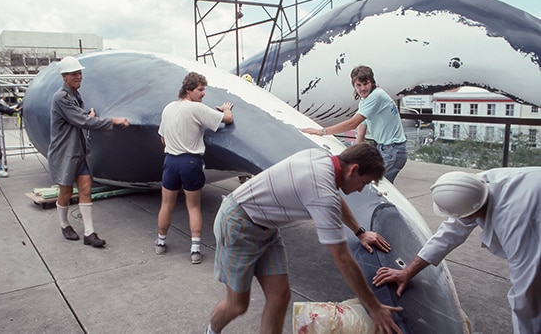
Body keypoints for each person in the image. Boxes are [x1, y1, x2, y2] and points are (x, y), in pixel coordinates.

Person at [206, 143, 402, 334]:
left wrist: (360, 232)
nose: (361, 189)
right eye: (364, 182)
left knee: (280, 297)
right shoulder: (322, 193)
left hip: (266, 227)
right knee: (237, 305)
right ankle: (211, 331)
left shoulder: (322, 158)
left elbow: (333, 193)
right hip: (238, 222)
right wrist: (374, 307)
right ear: (354, 169)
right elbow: (343, 259)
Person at [372, 168, 541, 334]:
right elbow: (449, 233)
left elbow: (526, 293)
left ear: (471, 212)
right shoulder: (471, 187)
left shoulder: (517, 225)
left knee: (529, 298)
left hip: (532, 213)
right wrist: (408, 271)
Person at [48, 56, 129, 248]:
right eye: (74, 73)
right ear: (64, 76)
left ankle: (89, 233)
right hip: (65, 154)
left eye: (79, 72)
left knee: (85, 189)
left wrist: (87, 115)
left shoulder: (75, 96)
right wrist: (112, 121)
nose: (78, 76)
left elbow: (79, 117)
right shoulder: (61, 97)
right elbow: (82, 121)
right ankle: (64, 224)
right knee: (66, 192)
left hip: (79, 152)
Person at [155, 71, 233, 264]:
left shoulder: (168, 108)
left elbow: (163, 138)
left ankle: (160, 242)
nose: (203, 94)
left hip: (170, 162)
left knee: (166, 205)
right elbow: (227, 120)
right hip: (190, 162)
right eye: (200, 90)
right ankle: (195, 250)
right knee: (193, 206)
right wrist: (226, 108)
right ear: (188, 90)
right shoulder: (197, 109)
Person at [301, 65, 407, 183]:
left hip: (392, 150)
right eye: (358, 85)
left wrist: (322, 132)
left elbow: (353, 123)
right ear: (354, 86)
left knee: (376, 189)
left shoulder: (376, 96)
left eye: (365, 84)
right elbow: (362, 123)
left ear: (372, 82)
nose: (362, 88)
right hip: (387, 149)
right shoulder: (366, 99)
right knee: (376, 189)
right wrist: (357, 150)